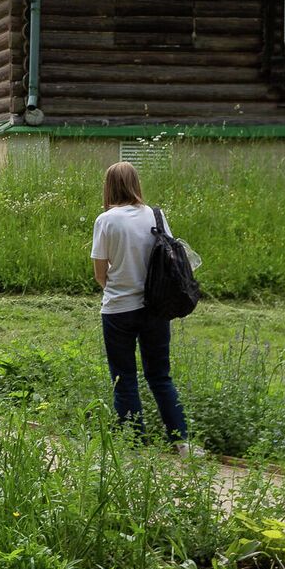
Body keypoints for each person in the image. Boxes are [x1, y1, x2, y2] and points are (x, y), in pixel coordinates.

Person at [90, 161, 188, 442]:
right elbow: (169, 260)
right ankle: (181, 442)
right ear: (136, 183)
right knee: (160, 377)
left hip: (118, 310)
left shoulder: (106, 220)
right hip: (156, 308)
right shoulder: (156, 215)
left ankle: (133, 445)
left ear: (108, 187)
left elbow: (100, 274)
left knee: (124, 380)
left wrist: (120, 288)